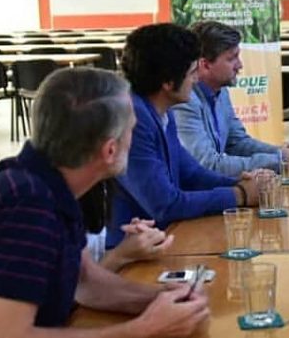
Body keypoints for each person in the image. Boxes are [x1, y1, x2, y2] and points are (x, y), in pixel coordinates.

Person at [0, 67, 210, 338]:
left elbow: (85, 281)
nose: (136, 137)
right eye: (133, 130)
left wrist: (161, 300)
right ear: (110, 150)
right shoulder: (27, 207)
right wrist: (141, 332)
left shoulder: (44, 179)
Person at [108, 23, 258, 248]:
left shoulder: (161, 110)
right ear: (168, 83)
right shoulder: (134, 120)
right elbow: (165, 204)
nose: (197, 80)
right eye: (192, 73)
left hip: (164, 238)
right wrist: (239, 195)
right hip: (135, 252)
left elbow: (192, 174)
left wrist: (241, 183)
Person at [172, 20, 289, 176]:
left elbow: (237, 143)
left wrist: (280, 152)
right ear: (205, 64)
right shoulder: (184, 102)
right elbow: (207, 165)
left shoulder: (221, 91)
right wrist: (278, 160)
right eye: (232, 58)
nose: (240, 65)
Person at [80, 180, 173, 272]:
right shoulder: (74, 195)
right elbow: (79, 280)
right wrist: (120, 255)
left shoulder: (99, 186)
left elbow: (95, 257)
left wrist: (131, 244)